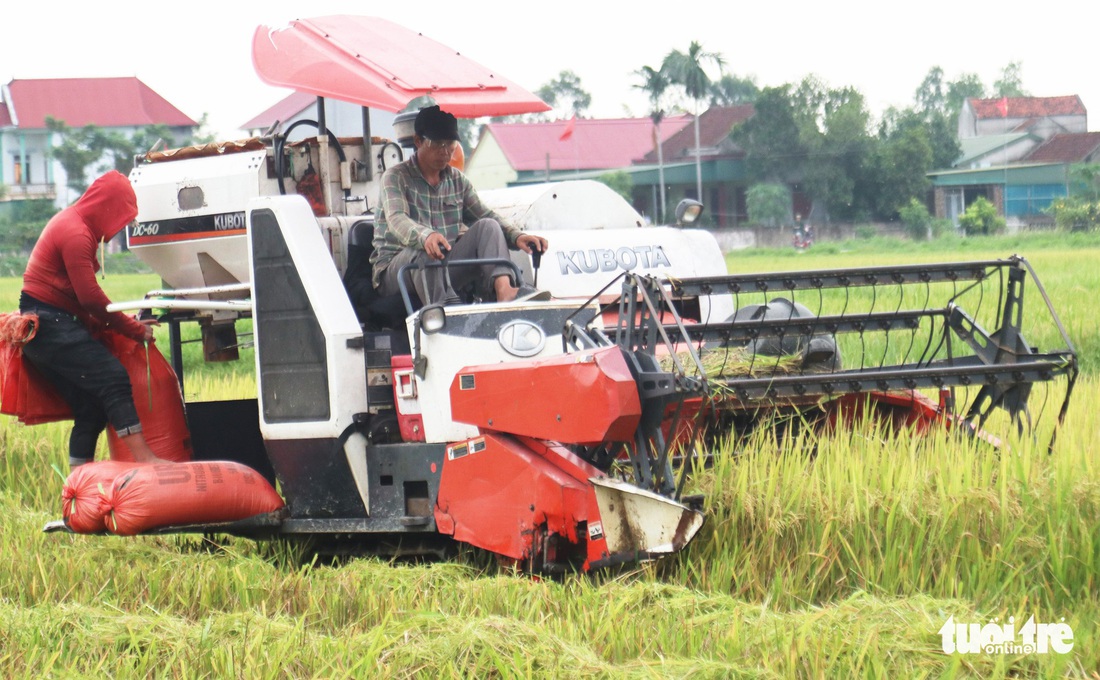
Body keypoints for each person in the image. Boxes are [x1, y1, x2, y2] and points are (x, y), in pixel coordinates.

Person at [19, 170, 170, 468]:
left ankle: (80, 485)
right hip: (48, 323)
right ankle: (146, 460)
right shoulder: (76, 233)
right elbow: (89, 297)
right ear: (107, 207)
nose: (118, 228)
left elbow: (83, 302)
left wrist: (125, 321)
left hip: (47, 322)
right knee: (113, 378)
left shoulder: (75, 224)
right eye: (121, 218)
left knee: (90, 408)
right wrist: (133, 330)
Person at [371, 105, 548, 305]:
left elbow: (484, 214)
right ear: (418, 141)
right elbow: (397, 219)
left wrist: (517, 236)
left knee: (488, 226)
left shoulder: (457, 181)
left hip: (442, 265)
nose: (445, 152)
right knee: (423, 249)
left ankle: (505, 292)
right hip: (397, 271)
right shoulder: (395, 177)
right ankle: (445, 313)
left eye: (450, 144)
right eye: (438, 144)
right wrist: (425, 236)